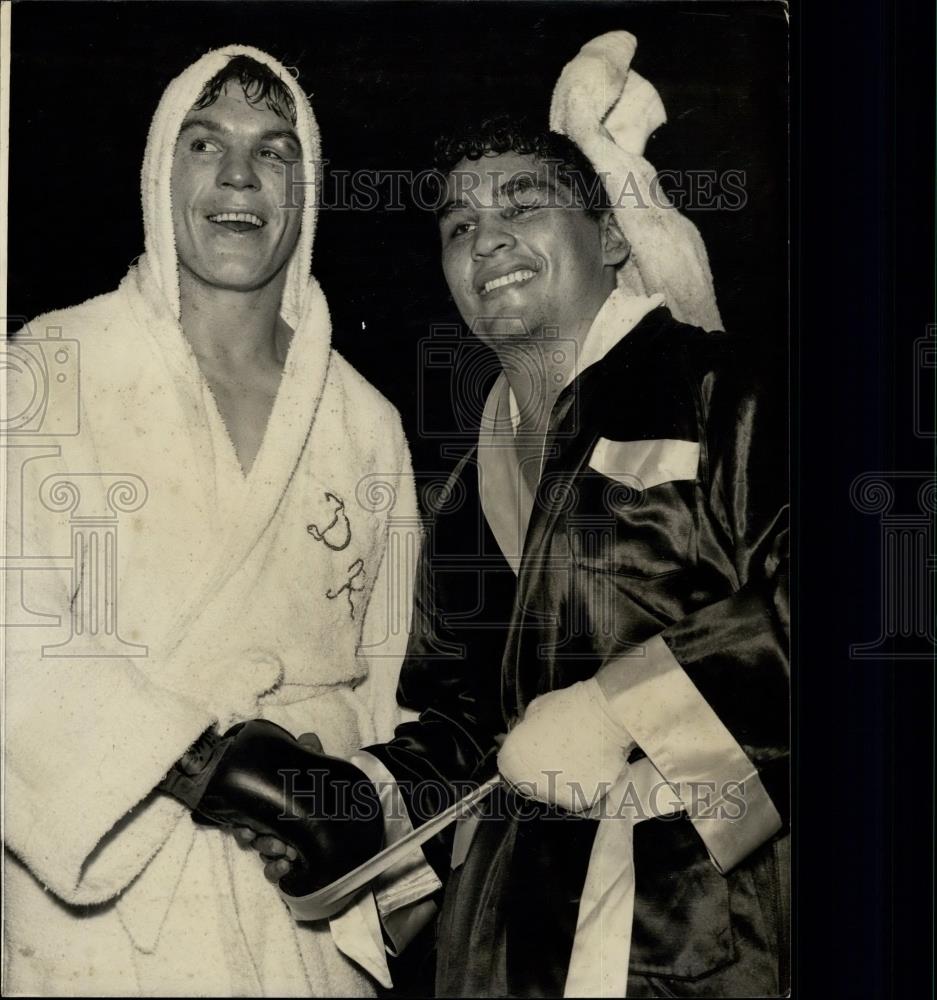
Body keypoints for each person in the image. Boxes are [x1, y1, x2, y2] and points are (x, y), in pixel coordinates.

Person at [244, 33, 789, 998]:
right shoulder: (460, 501)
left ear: (612, 235)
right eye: (456, 227)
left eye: (521, 204)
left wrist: (627, 708)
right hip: (501, 956)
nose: (483, 237)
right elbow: (461, 726)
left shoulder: (727, 392)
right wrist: (348, 802)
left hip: (696, 947)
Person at [3, 46, 418, 996]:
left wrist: (381, 852)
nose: (239, 176)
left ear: (306, 192)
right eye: (206, 144)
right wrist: (203, 762)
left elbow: (393, 679)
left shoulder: (364, 422)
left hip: (300, 904)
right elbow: (10, 637)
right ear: (161, 171)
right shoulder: (47, 367)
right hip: (104, 902)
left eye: (274, 152)